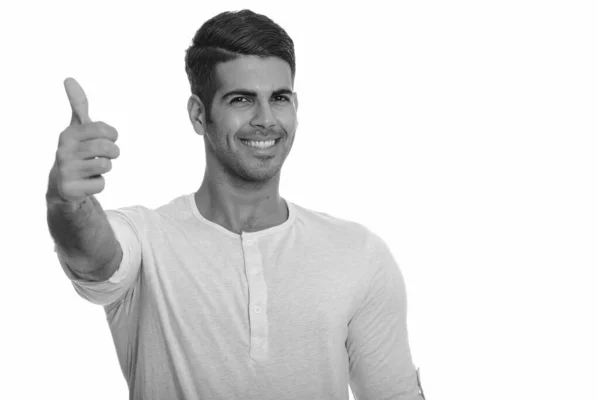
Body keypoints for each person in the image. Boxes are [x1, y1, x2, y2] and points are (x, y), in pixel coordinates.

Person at [46, 9, 426, 400]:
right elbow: (93, 258)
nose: (265, 120)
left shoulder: (358, 254)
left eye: (279, 98)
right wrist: (66, 201)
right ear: (198, 114)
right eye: (242, 99)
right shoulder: (146, 240)